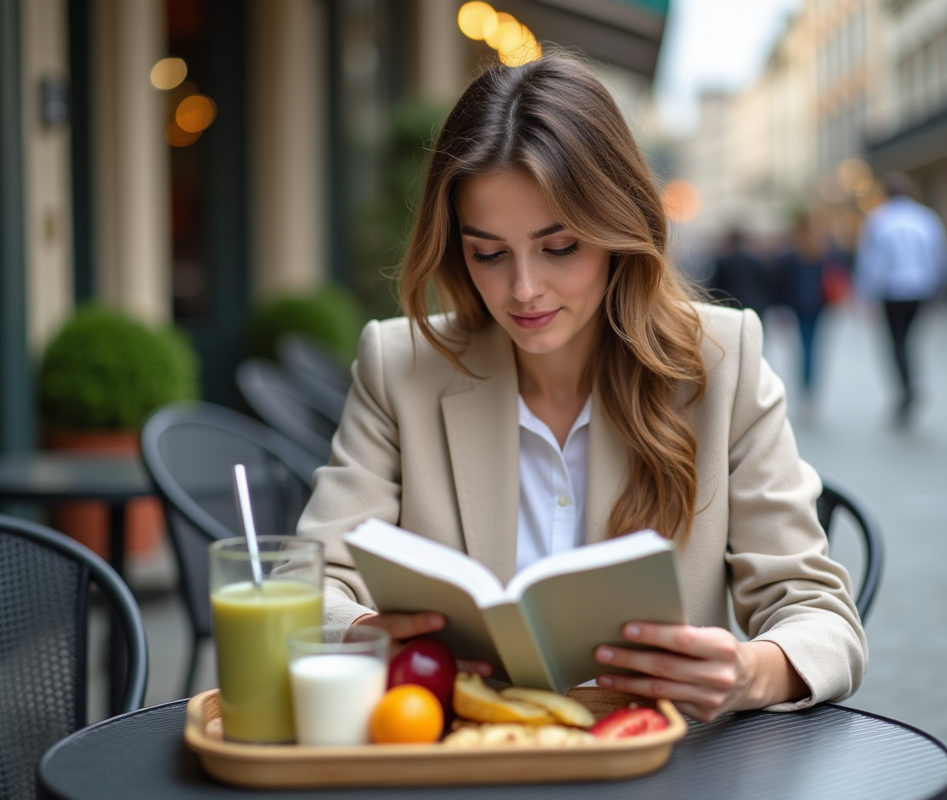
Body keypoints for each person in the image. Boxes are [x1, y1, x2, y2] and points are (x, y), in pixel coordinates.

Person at [296, 52, 866, 722]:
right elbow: (305, 586)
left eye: (560, 247)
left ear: (618, 229)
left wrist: (750, 673)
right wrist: (365, 633)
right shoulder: (400, 366)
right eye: (488, 253)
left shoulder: (721, 362)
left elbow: (822, 617)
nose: (524, 289)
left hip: (660, 760)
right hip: (463, 754)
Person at [854, 173, 947, 429]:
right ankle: (909, 385)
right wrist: (938, 288)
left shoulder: (878, 219)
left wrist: (865, 295)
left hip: (892, 290)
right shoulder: (926, 218)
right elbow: (940, 257)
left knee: (896, 343)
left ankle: (906, 387)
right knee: (908, 341)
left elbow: (869, 262)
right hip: (920, 289)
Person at [777, 213, 827, 415]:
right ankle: (810, 391)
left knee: (803, 349)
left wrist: (782, 308)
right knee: (813, 348)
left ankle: (805, 390)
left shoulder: (792, 253)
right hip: (817, 305)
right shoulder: (820, 251)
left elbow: (784, 283)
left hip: (798, 305)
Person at [707, 228, 774, 320]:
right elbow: (766, 284)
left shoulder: (725, 262)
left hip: (730, 305)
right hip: (754, 304)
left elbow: (716, 287)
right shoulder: (755, 261)